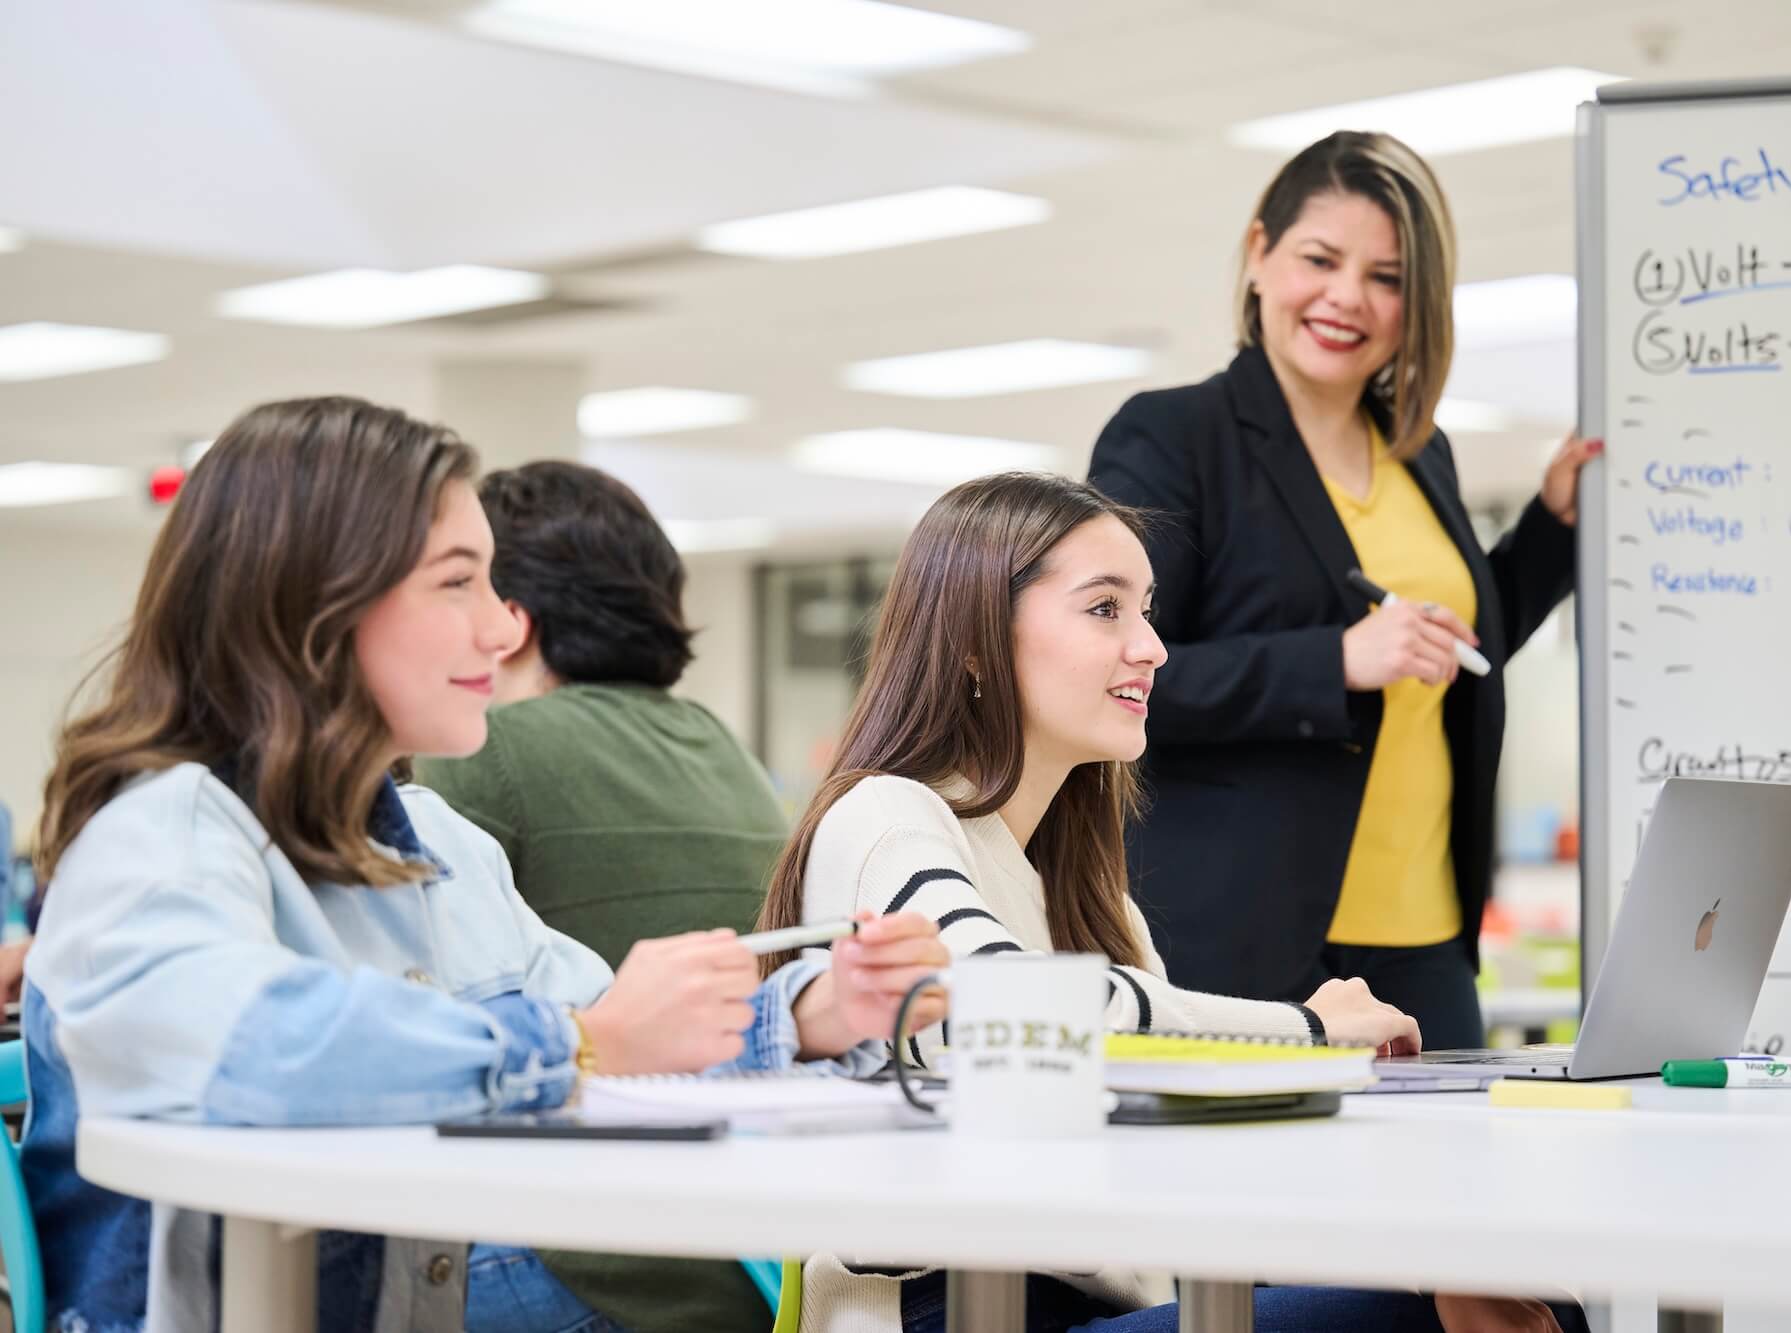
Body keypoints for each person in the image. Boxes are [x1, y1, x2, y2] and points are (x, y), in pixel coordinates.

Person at [23, 396, 946, 1333]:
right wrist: (584, 1046)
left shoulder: (434, 840)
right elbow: (262, 1052)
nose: (504, 632)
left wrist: (806, 1015)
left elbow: (610, 1036)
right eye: (457, 583)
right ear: (316, 603)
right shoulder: (157, 832)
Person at [755, 471, 1579, 1333]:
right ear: (973, 641)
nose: (1152, 647)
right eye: (1106, 609)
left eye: (1147, 610)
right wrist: (1309, 1030)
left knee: (1521, 1279)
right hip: (950, 1308)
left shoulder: (1082, 892)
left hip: (1102, 1295)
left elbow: (1175, 1152)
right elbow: (1001, 1013)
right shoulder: (887, 814)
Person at [1088, 130, 1600, 1049]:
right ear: (1258, 256)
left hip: (1427, 933)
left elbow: (1456, 649)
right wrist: (1334, 660)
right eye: (1320, 259)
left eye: (1388, 277)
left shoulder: (1420, 450)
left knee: (1446, 1186)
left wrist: (1553, 529)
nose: (1348, 297)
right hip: (1246, 937)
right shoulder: (1172, 437)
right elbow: (1119, 676)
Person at [414, 459, 794, 1330]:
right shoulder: (718, 742)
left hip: (599, 1262)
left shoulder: (491, 749)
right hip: (754, 1260)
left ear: (514, 615)